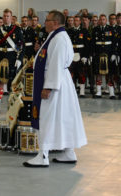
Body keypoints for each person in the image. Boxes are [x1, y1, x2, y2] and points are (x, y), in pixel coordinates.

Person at [23, 10, 87, 167]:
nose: (45, 22)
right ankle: (69, 152)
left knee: (47, 118)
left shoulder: (59, 39)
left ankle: (42, 155)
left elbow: (56, 64)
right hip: (60, 82)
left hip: (54, 84)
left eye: (48, 20)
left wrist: (48, 87)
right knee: (63, 117)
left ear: (56, 23)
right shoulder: (56, 36)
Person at [0, 8, 24, 115]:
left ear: (11, 18)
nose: (6, 18)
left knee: (13, 83)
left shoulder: (17, 30)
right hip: (0, 58)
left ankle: (14, 106)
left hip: (12, 58)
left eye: (8, 16)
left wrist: (19, 59)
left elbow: (21, 46)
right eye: (4, 16)